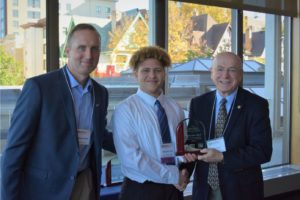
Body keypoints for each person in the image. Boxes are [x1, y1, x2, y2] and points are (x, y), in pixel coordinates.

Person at [1, 23, 115, 200]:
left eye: (94, 49)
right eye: (82, 48)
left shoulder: (100, 93)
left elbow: (100, 135)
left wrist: (141, 146)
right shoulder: (39, 88)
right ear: (67, 51)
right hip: (45, 190)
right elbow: (14, 151)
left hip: (84, 184)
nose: (89, 55)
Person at [185, 52, 273, 200]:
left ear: (240, 74)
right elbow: (194, 146)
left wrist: (222, 157)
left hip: (240, 191)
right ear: (211, 73)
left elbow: (262, 151)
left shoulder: (256, 105)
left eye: (232, 70)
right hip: (204, 190)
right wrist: (184, 172)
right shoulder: (198, 104)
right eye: (219, 69)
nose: (225, 75)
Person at [111, 46, 193, 200]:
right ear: (135, 73)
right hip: (141, 190)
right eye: (145, 70)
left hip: (173, 189)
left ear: (164, 73)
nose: (152, 76)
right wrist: (173, 176)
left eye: (157, 70)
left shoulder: (175, 107)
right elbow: (132, 159)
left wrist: (183, 171)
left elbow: (182, 147)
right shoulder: (125, 110)